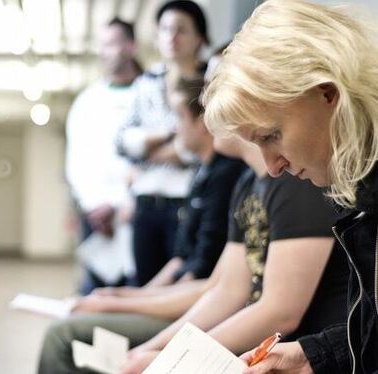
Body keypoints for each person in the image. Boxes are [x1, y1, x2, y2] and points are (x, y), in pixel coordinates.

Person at [203, 1, 378, 373]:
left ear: (327, 93)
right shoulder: (360, 188)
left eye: (273, 136)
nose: (272, 165)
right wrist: (313, 356)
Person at [36, 77, 246, 374]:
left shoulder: (229, 177)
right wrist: (125, 296)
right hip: (186, 301)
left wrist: (122, 304)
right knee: (74, 327)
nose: (174, 128)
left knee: (63, 335)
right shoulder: (205, 174)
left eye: (179, 117)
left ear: (202, 121)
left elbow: (203, 281)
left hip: (193, 309)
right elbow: (182, 262)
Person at [118, 137, 349, 373]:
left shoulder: (296, 183)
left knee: (85, 334)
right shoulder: (248, 181)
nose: (208, 119)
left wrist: (171, 355)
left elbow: (280, 312)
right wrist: (153, 346)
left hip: (296, 350)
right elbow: (225, 290)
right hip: (262, 349)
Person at [115, 0, 209, 286]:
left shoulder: (211, 81)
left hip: (188, 201)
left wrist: (147, 149)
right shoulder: (146, 82)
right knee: (144, 285)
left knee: (180, 285)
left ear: (199, 38)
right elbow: (122, 142)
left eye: (181, 30)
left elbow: (205, 147)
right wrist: (171, 137)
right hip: (146, 204)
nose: (171, 37)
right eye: (165, 29)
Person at [65, 17, 142, 295]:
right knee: (92, 296)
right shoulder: (87, 101)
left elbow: (152, 162)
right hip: (95, 217)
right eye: (101, 45)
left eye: (111, 43)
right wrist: (93, 205)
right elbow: (76, 162)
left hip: (134, 214)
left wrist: (118, 203)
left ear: (131, 46)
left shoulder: (147, 94)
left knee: (135, 296)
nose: (103, 51)